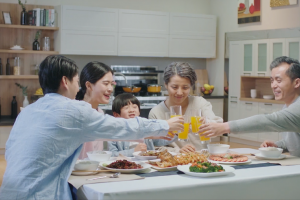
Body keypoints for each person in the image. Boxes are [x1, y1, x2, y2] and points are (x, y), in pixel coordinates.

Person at [0, 55, 184, 200]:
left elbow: (10, 151)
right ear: (65, 81)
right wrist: (164, 124)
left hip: (9, 192)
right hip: (40, 194)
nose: (77, 86)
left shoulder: (28, 110)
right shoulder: (73, 110)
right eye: (76, 81)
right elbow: (122, 127)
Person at [200, 56, 300, 156]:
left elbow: (269, 121)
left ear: (296, 83)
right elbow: (294, 140)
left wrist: (224, 127)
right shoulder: (288, 107)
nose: (273, 85)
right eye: (272, 80)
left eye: (278, 80)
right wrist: (278, 146)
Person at [149, 62, 223, 153]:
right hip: (174, 161)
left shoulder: (200, 103)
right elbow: (154, 146)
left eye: (185, 87)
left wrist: (208, 123)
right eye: (174, 87)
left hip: (201, 159)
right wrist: (177, 151)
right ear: (166, 85)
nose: (180, 92)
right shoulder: (156, 112)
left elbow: (219, 125)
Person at [108, 93, 173, 156]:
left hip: (147, 163)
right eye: (126, 108)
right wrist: (134, 151)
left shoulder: (146, 127)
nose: (131, 110)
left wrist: (175, 133)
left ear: (139, 111)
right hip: (126, 165)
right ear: (116, 115)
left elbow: (161, 141)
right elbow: (111, 155)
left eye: (134, 107)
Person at [75, 61, 114, 159]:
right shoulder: (76, 113)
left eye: (111, 84)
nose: (110, 89)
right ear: (88, 86)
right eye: (106, 84)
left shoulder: (99, 113)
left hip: (94, 171)